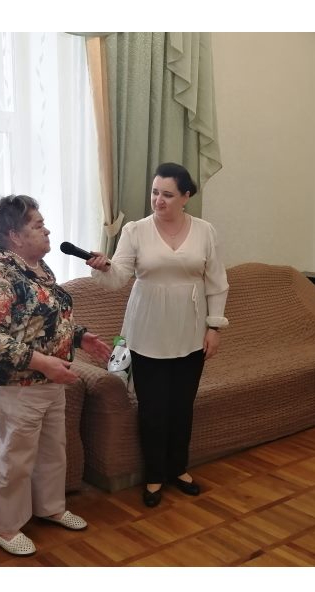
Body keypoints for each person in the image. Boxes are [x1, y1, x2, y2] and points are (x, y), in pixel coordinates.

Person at [0, 194, 111, 556]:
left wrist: (81, 337)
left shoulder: (37, 267)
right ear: (14, 235)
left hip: (49, 377)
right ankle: (6, 528)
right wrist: (42, 362)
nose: (47, 230)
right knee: (16, 457)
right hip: (14, 381)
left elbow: (46, 320)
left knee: (52, 448)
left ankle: (50, 507)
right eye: (37, 225)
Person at [86, 162, 229, 508]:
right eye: (154, 192)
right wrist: (104, 267)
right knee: (152, 408)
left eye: (167, 194)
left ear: (185, 197)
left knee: (182, 406)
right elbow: (118, 277)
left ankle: (178, 469)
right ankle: (154, 475)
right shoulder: (136, 231)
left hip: (190, 332)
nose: (158, 200)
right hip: (146, 332)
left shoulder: (205, 231)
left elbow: (217, 282)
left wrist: (214, 327)